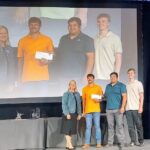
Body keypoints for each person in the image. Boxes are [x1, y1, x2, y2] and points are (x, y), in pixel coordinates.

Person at [17, 17, 54, 97]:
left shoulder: (47, 39)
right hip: (27, 77)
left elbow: (51, 56)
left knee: (43, 103)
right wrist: (19, 77)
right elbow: (20, 60)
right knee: (28, 103)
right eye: (31, 25)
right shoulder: (22, 40)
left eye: (36, 25)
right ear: (28, 26)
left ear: (40, 26)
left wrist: (47, 61)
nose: (33, 26)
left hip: (43, 77)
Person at [58, 17, 95, 93]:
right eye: (70, 25)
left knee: (78, 100)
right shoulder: (63, 38)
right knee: (64, 99)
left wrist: (87, 76)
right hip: (63, 76)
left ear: (79, 26)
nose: (72, 27)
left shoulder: (87, 39)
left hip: (79, 77)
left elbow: (91, 58)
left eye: (74, 25)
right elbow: (59, 55)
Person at [94, 13, 122, 80]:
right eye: (99, 21)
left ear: (108, 23)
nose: (100, 23)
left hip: (109, 77)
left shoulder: (115, 38)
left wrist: (116, 75)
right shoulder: (94, 39)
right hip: (96, 77)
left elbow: (118, 59)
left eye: (103, 21)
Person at [104, 72, 127, 148]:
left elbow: (124, 97)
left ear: (117, 77)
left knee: (120, 126)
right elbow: (105, 96)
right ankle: (110, 142)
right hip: (108, 109)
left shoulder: (121, 85)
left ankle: (122, 142)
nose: (112, 78)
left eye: (114, 77)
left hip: (118, 109)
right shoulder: (107, 86)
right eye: (111, 77)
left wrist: (123, 107)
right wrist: (98, 98)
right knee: (110, 127)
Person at [82, 74, 103, 149]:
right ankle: (87, 144)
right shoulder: (84, 88)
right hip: (88, 111)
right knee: (88, 127)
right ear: (87, 79)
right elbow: (83, 101)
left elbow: (101, 98)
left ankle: (98, 143)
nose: (89, 79)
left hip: (96, 110)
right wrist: (83, 111)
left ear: (93, 79)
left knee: (97, 126)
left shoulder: (98, 87)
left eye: (91, 78)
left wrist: (98, 99)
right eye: (88, 78)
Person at [61, 80, 82, 150]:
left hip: (74, 114)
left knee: (71, 131)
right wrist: (67, 113)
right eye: (71, 84)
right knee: (67, 130)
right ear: (69, 85)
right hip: (68, 114)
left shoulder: (77, 94)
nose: (73, 85)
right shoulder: (66, 94)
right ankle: (70, 144)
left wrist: (79, 113)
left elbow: (79, 105)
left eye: (74, 84)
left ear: (75, 85)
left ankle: (67, 144)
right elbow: (64, 104)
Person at [126, 68, 144, 146]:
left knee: (138, 125)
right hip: (128, 109)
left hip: (136, 108)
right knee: (130, 127)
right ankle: (133, 140)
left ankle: (140, 141)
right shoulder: (126, 85)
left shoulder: (138, 83)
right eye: (129, 73)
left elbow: (141, 96)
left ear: (134, 74)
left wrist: (141, 107)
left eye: (132, 73)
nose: (130, 75)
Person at [0, 25, 16, 97]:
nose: (3, 35)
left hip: (8, 84)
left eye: (5, 33)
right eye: (1, 33)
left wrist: (11, 83)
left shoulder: (10, 49)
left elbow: (12, 68)